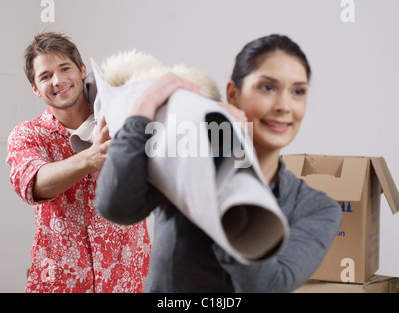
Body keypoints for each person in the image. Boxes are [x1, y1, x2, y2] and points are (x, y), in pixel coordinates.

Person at [95, 34, 342, 292]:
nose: (284, 106)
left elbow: (268, 287)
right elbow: (115, 206)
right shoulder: (183, 158)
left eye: (298, 92)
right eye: (267, 87)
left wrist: (232, 178)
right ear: (233, 95)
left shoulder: (315, 208)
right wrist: (144, 106)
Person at [6, 32, 151, 293]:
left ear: (82, 69)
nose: (58, 81)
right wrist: (90, 159)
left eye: (64, 68)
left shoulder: (122, 115)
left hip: (130, 279)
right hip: (60, 284)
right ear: (35, 87)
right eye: (45, 76)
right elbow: (33, 183)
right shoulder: (27, 134)